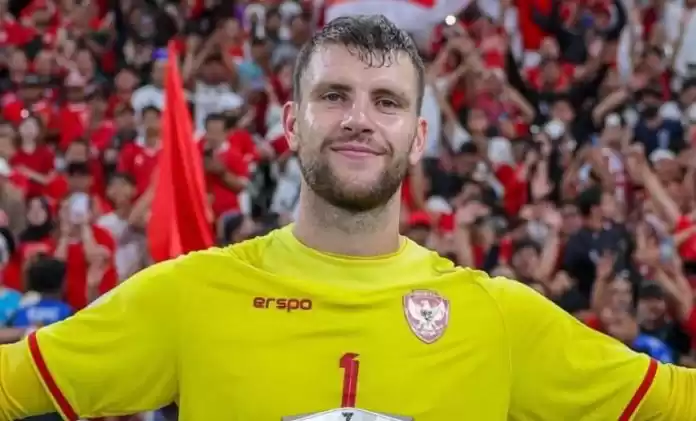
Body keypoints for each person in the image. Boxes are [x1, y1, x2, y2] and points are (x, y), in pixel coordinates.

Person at [0, 15, 692, 421]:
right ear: (290, 124)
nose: (359, 118)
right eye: (334, 95)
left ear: (418, 137)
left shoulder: (499, 319)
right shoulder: (190, 295)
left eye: (387, 102)